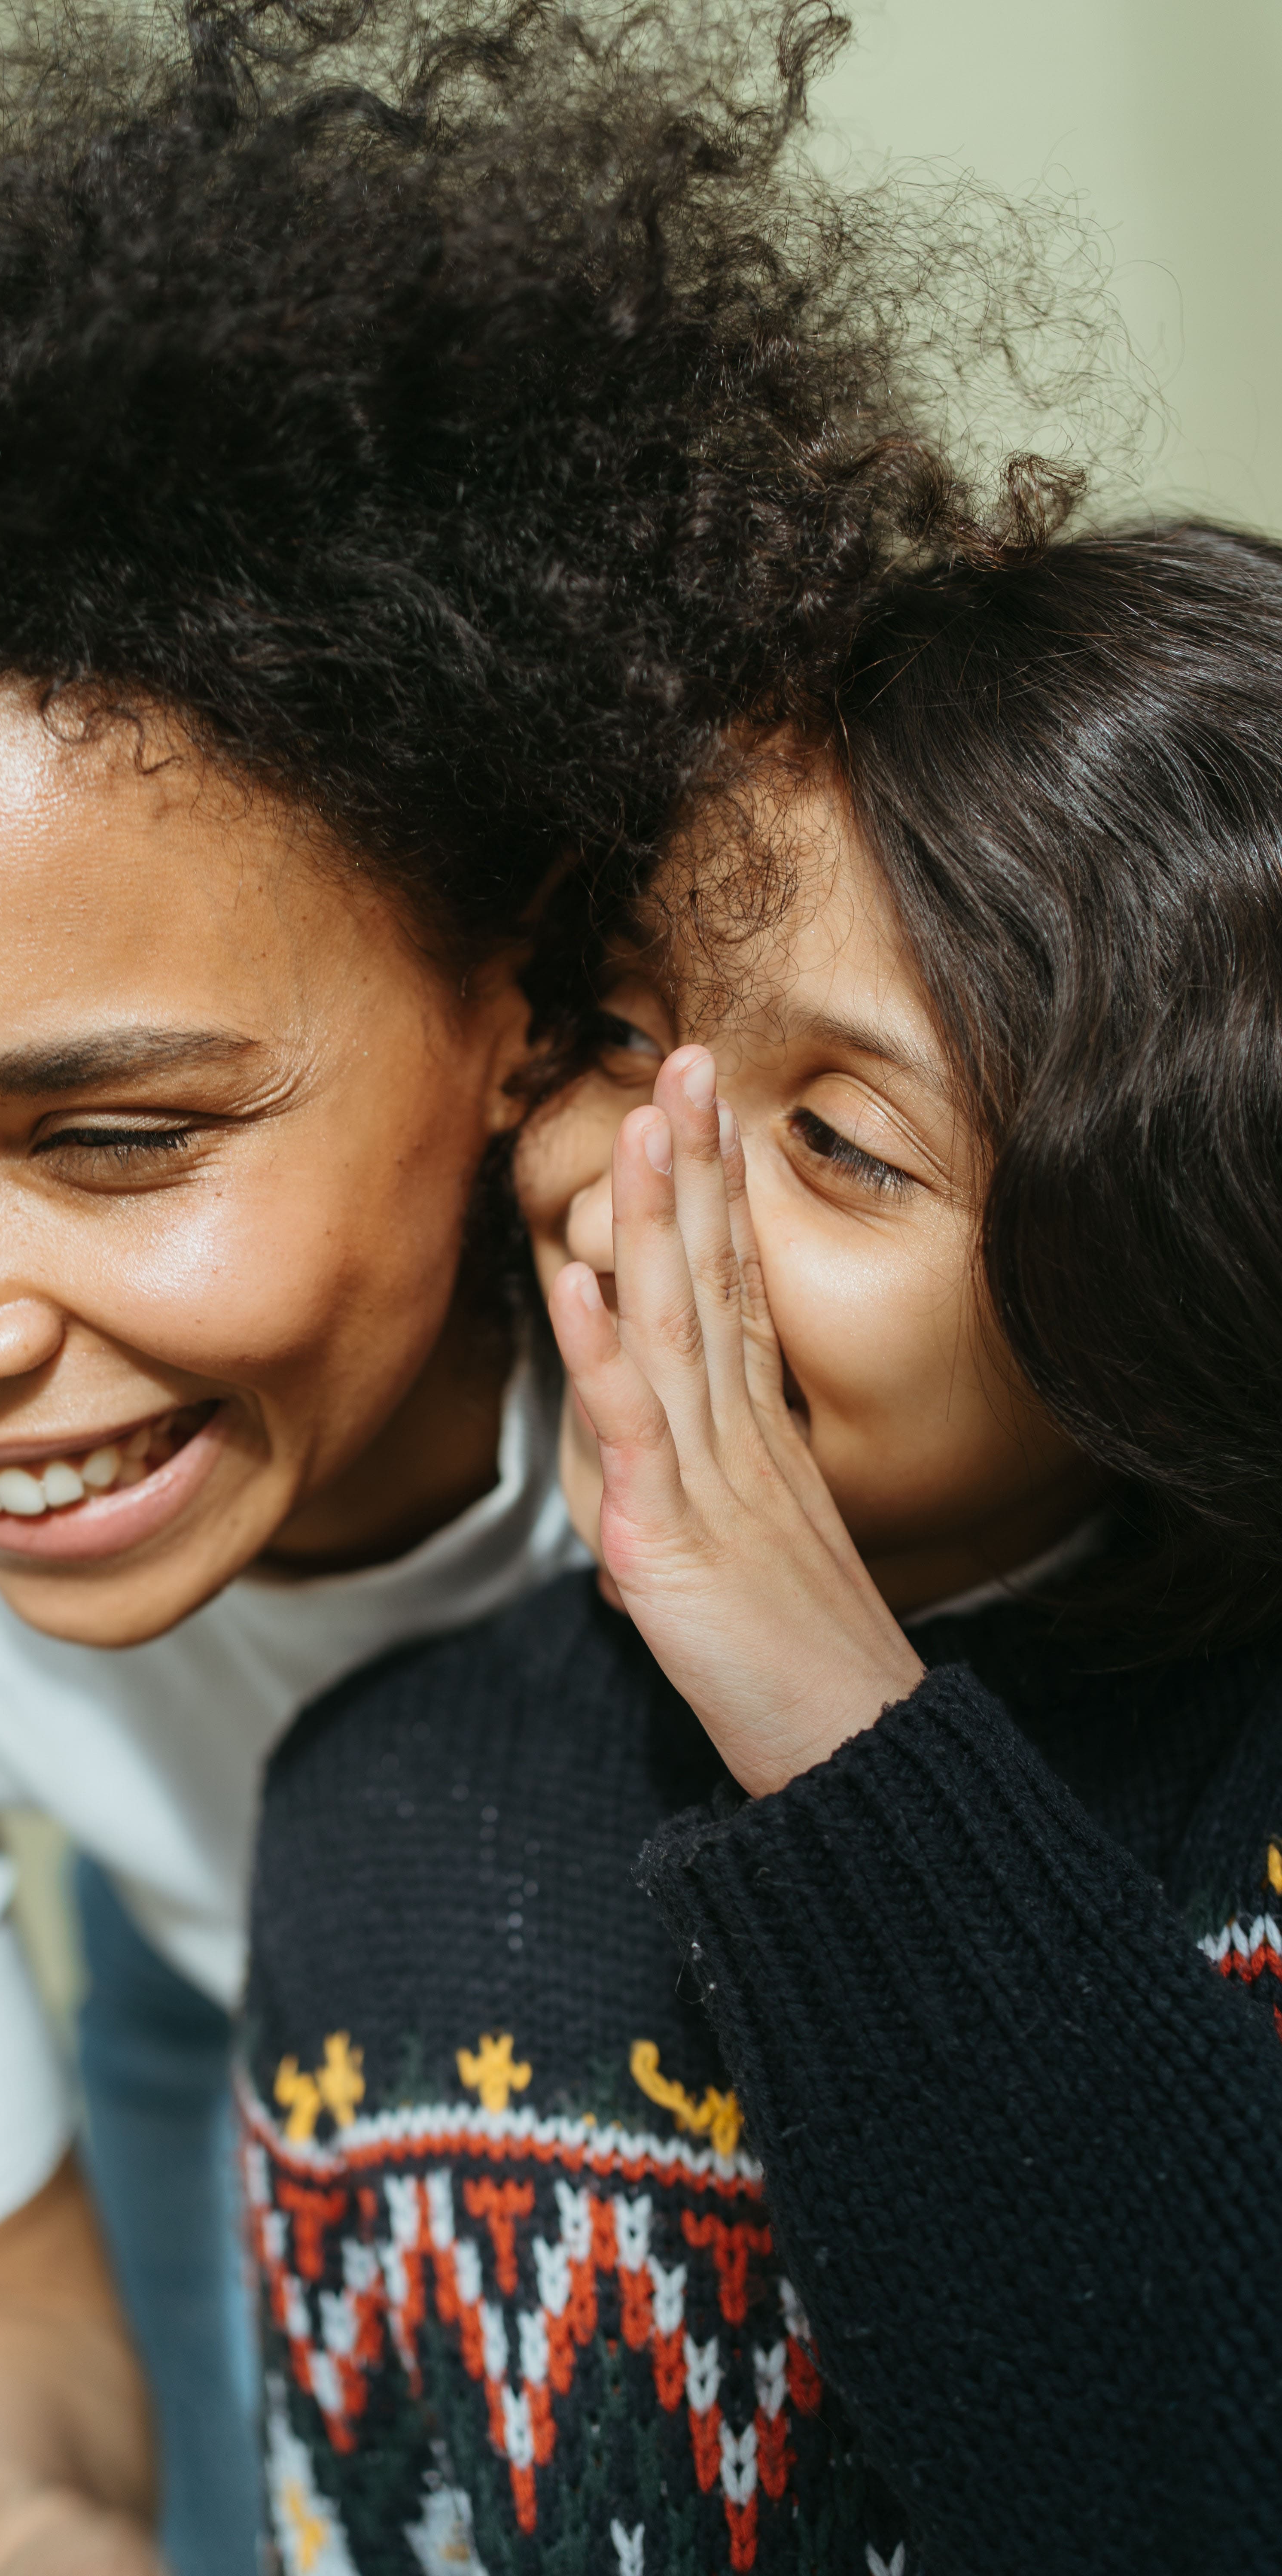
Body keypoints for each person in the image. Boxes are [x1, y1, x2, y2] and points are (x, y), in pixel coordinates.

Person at [0, 3, 958, 2568]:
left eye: (113, 1138)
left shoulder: (870, 1382)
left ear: (522, 991)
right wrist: (31, 2535)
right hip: (237, 2003)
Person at [242, 522, 1282, 2575]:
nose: (639, 1197)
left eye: (835, 1141)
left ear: (1168, 1260)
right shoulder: (376, 1813)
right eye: (623, 1037)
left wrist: (839, 1736)